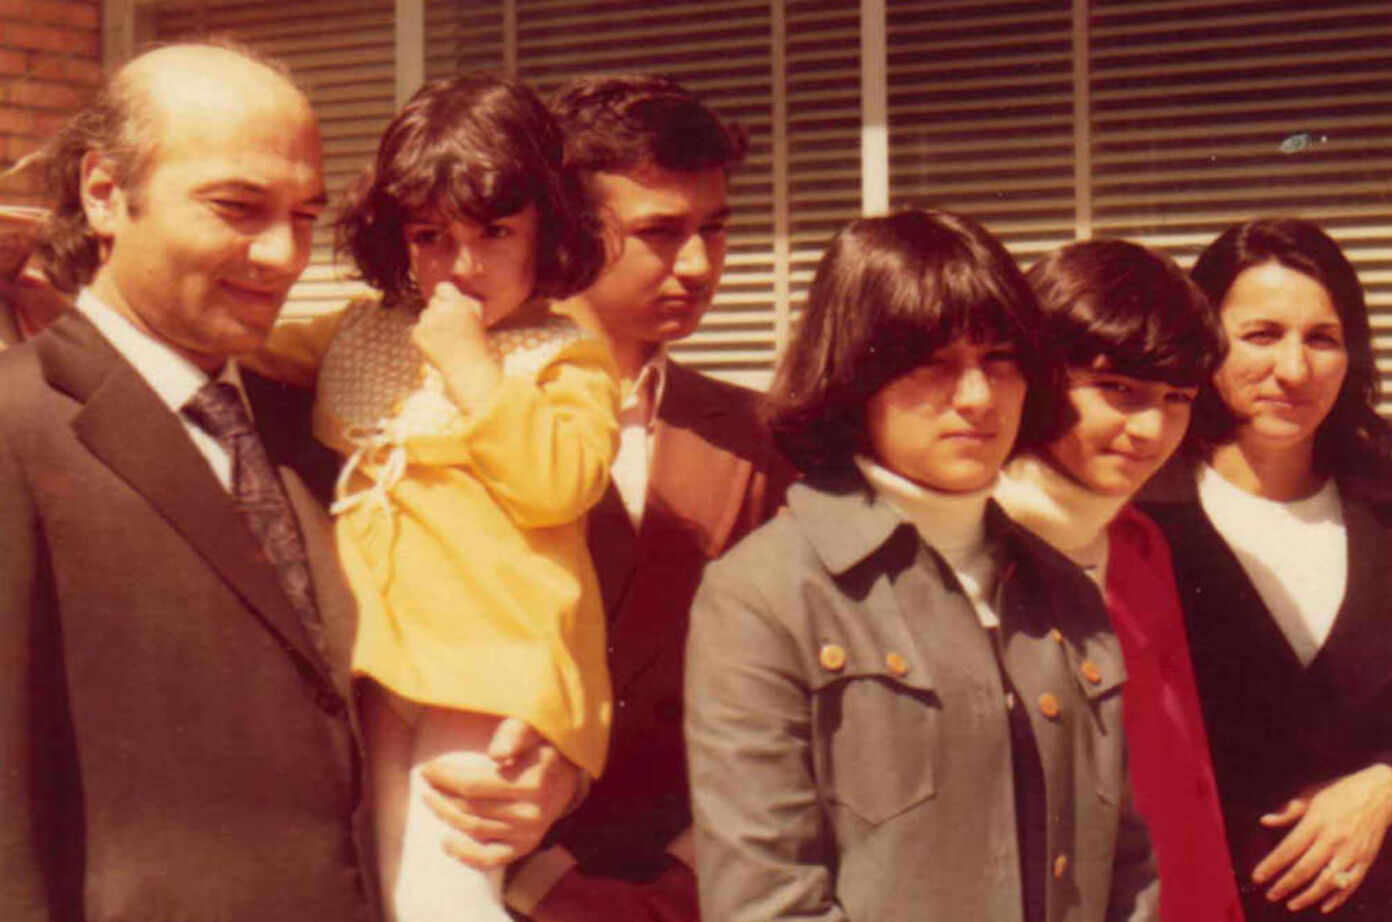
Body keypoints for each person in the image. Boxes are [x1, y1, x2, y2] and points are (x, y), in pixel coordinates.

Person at [685, 209, 1160, 922]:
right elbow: (766, 899)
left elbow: (1124, 867)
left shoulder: (1062, 587)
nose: (976, 397)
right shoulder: (766, 593)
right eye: (932, 362)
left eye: (1000, 358)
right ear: (854, 376)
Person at [0, 43, 378, 921]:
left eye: (306, 215)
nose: (284, 255)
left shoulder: (316, 425)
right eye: (238, 207)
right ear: (104, 194)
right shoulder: (16, 429)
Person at [420, 74, 795, 922]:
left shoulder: (759, 439)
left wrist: (689, 874)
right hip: (470, 869)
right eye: (660, 234)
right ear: (567, 227)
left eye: (716, 230)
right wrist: (532, 876)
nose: (698, 266)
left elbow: (783, 701)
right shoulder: (440, 401)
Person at [251, 71, 615, 922]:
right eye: (429, 236)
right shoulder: (360, 330)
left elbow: (559, 483)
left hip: (490, 667)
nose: (462, 265)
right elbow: (246, 355)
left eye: (495, 232)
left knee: (445, 894)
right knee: (386, 874)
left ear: (548, 231)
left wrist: (472, 366)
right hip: (379, 662)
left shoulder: (562, 357)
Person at [1137, 217, 1392, 921]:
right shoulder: (1137, 517)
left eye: (1322, 338)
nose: (1294, 369)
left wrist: (1389, 787)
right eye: (1261, 335)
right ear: (1205, 344)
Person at [994, 239, 1243, 921]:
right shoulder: (966, 549)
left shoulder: (1140, 545)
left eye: (1177, 397)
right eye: (1118, 390)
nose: (1151, 427)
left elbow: (1181, 784)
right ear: (1040, 375)